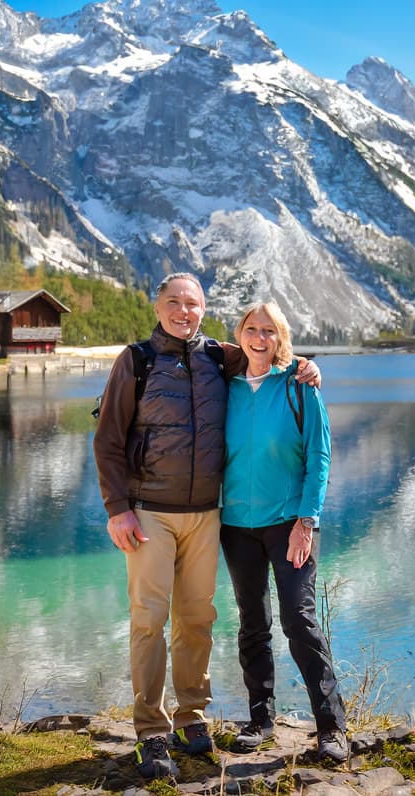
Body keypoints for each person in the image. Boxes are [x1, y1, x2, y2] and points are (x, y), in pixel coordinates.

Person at [92, 273, 319, 780]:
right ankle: (151, 731)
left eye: (192, 304)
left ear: (203, 309)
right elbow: (107, 439)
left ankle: (192, 718)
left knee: (197, 619)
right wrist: (117, 508)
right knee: (149, 621)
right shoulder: (137, 361)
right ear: (158, 307)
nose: (183, 311)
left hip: (206, 515)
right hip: (148, 512)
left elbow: (270, 354)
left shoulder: (220, 356)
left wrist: (306, 366)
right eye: (173, 302)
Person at [220, 301, 348, 763]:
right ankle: (260, 719)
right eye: (251, 329)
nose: (259, 338)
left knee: (299, 621)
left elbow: (319, 456)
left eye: (268, 331)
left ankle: (331, 727)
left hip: (290, 525)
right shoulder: (225, 385)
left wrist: (306, 521)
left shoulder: (300, 385)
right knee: (252, 623)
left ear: (281, 337)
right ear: (239, 335)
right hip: (235, 525)